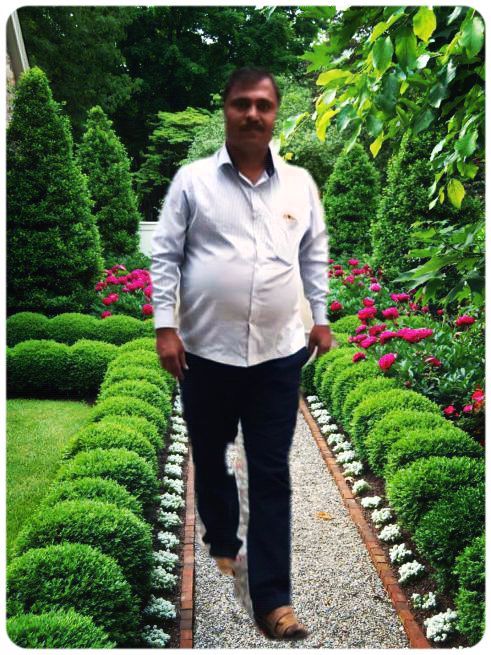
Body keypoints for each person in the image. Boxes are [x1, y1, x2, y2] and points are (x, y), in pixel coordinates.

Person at [151, 67, 332, 640]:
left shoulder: (300, 185)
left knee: (271, 472)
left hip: (278, 354)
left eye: (263, 105)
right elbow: (166, 255)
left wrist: (321, 317)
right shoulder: (192, 182)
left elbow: (314, 254)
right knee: (211, 455)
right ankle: (223, 536)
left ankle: (274, 600)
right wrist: (165, 327)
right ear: (226, 109)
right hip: (206, 353)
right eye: (241, 104)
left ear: (275, 114)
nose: (253, 113)